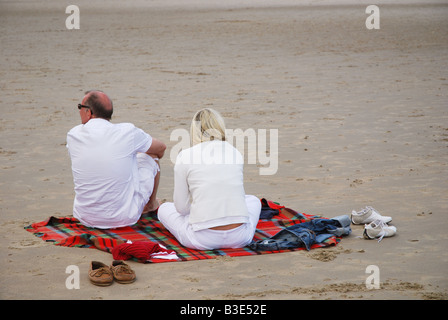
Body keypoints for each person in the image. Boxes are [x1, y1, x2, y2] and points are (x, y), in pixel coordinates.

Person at [157, 108, 261, 250]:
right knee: (253, 200)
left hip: (202, 240)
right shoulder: (234, 152)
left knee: (163, 208)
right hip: (240, 237)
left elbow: (181, 208)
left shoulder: (185, 156)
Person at [66, 90, 166, 229]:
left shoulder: (73, 134)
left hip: (84, 216)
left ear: (88, 112)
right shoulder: (127, 131)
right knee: (150, 155)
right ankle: (151, 205)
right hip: (124, 218)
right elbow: (160, 148)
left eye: (79, 107)